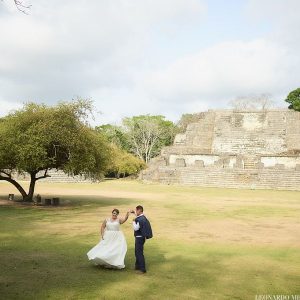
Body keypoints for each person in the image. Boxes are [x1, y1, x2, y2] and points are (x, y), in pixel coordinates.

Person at [132, 205, 153, 274]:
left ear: (139, 210)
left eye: (136, 210)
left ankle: (142, 269)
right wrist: (134, 214)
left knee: (139, 253)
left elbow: (136, 228)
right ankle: (137, 266)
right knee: (137, 252)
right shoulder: (143, 217)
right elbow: (138, 218)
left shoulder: (139, 219)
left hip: (139, 238)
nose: (136, 212)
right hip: (142, 237)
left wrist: (133, 221)